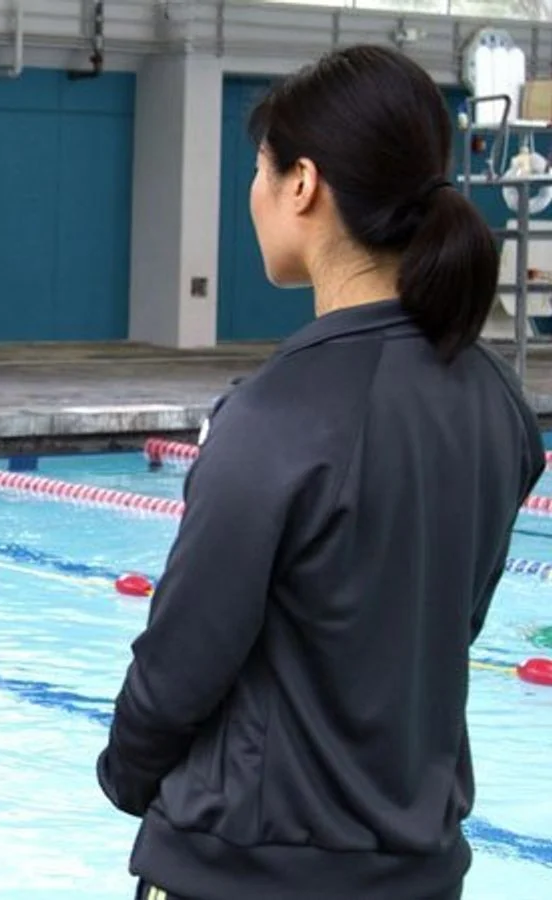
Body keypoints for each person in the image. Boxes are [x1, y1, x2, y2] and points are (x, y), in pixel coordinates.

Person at [97, 45, 545, 900]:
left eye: (260, 170)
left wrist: (126, 775)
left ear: (303, 184)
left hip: (242, 866)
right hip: (417, 866)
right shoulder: (498, 404)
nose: (255, 193)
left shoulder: (275, 415)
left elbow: (183, 661)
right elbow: (451, 627)